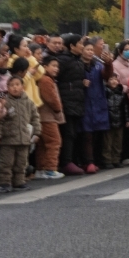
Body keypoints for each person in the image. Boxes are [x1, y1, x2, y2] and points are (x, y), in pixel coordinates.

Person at [0, 76, 41, 192]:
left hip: (24, 138)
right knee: (6, 162)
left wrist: (37, 132)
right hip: (8, 139)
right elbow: (0, 121)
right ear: (7, 88)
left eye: (17, 85)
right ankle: (5, 182)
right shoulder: (5, 101)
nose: (15, 88)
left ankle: (19, 181)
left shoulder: (28, 102)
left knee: (21, 162)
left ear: (23, 87)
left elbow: (35, 118)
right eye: (11, 85)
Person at [56, 34, 88, 176]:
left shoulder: (78, 61)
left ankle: (73, 160)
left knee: (74, 133)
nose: (82, 46)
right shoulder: (62, 60)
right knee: (68, 133)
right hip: (66, 101)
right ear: (72, 46)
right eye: (80, 43)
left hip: (77, 100)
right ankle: (66, 162)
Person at [80, 40, 113, 175]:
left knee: (98, 133)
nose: (89, 52)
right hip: (84, 103)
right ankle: (88, 161)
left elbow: (107, 76)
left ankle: (97, 160)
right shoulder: (78, 65)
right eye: (87, 49)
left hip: (98, 102)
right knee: (86, 134)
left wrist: (108, 63)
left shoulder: (98, 65)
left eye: (91, 50)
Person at [35, 55, 65, 179]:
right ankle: (51, 168)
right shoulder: (46, 80)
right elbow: (51, 98)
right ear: (45, 67)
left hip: (41, 116)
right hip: (48, 116)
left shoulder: (44, 79)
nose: (56, 69)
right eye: (53, 66)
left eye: (57, 66)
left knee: (42, 144)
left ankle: (41, 168)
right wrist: (58, 108)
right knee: (54, 141)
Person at [103, 75, 129, 169]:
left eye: (115, 79)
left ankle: (116, 159)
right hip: (109, 120)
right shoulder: (105, 92)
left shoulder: (122, 93)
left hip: (120, 120)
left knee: (118, 142)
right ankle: (107, 160)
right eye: (111, 79)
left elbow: (125, 108)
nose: (114, 81)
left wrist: (127, 120)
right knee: (108, 142)